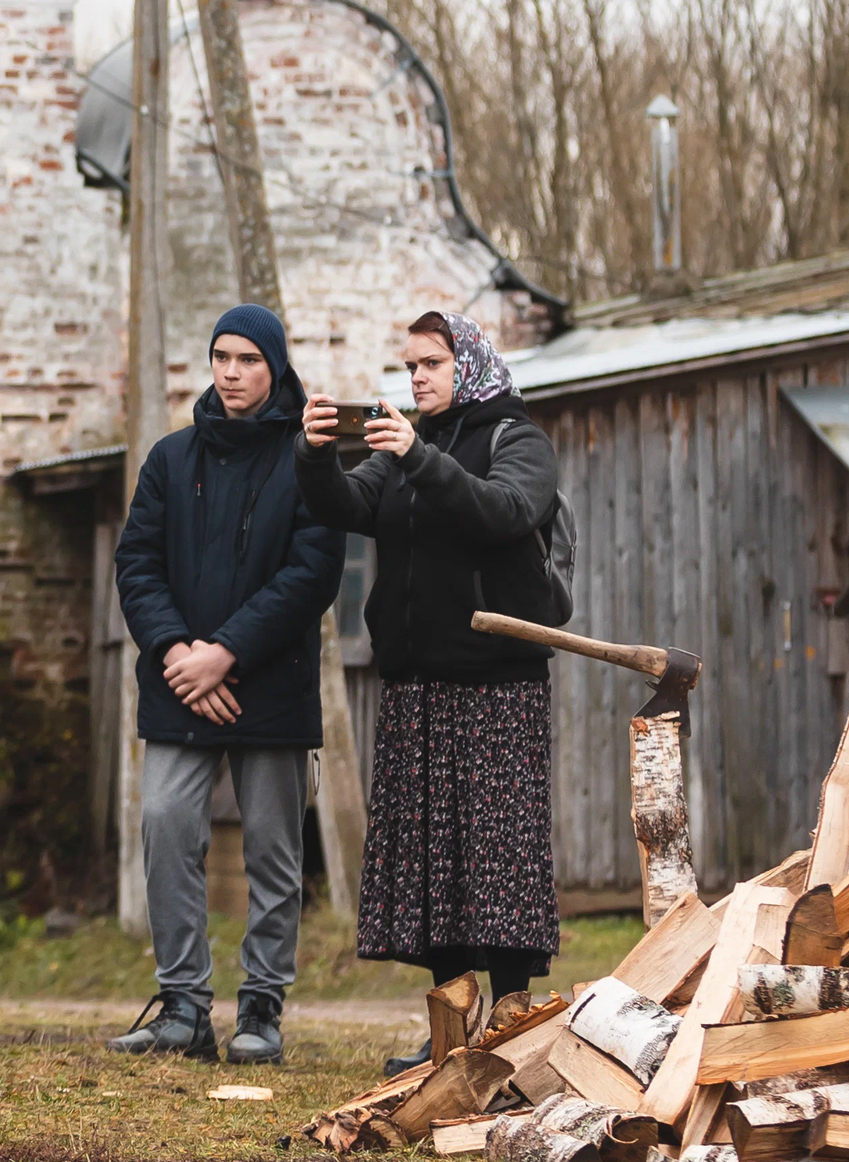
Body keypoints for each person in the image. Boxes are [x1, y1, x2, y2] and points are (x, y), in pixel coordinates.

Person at [297, 310, 562, 1075]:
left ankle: (512, 1021)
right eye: (409, 365)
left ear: (468, 364)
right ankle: (451, 1026)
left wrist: (418, 458)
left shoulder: (518, 439)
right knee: (433, 862)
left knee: (496, 857)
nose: (416, 377)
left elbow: (504, 512)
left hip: (496, 684)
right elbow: (345, 508)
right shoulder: (408, 441)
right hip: (417, 683)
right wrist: (315, 455)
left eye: (432, 363)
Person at [106, 305, 345, 1066]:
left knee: (274, 850)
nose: (232, 372)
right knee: (168, 824)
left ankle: (262, 1008)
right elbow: (137, 562)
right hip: (181, 684)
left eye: (247, 358)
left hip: (269, 688)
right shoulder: (172, 459)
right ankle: (182, 1008)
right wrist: (181, 653)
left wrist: (227, 654)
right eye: (221, 357)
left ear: (275, 367)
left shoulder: (309, 457)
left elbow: (311, 575)